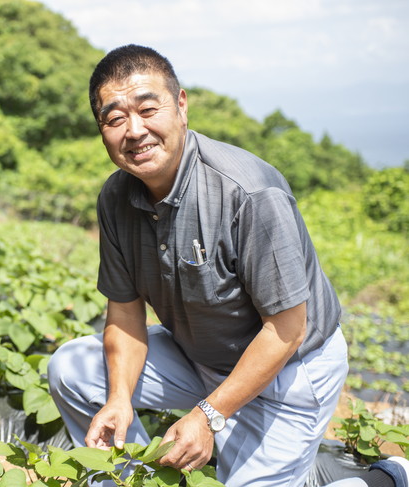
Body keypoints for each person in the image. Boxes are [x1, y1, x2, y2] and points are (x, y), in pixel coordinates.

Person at [46, 44, 406, 487]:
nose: (134, 130)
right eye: (115, 118)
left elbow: (288, 328)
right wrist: (119, 397)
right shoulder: (116, 197)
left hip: (289, 372)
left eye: (148, 109)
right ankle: (133, 479)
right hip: (200, 355)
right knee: (71, 367)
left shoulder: (247, 192)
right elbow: (124, 312)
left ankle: (387, 478)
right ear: (102, 130)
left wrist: (208, 416)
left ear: (181, 106)